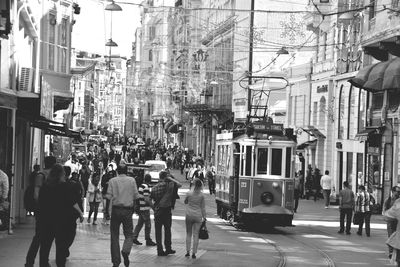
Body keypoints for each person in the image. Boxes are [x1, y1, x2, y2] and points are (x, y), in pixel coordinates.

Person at [38, 164, 84, 267]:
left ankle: (44, 263)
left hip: (47, 220)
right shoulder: (65, 186)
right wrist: (80, 213)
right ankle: (60, 264)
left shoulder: (45, 186)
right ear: (61, 174)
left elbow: (40, 203)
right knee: (61, 247)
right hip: (61, 221)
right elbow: (72, 201)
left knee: (45, 245)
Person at [106, 161, 140, 267]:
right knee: (129, 234)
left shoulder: (112, 181)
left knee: (114, 236)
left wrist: (107, 211)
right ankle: (125, 251)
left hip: (116, 210)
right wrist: (136, 208)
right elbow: (136, 196)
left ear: (117, 171)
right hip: (128, 210)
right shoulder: (132, 180)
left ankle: (116, 262)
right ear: (126, 171)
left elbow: (108, 197)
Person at [25, 156, 56, 267]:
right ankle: (30, 261)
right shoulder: (41, 175)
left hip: (48, 211)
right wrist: (42, 207)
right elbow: (36, 194)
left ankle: (43, 261)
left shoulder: (52, 177)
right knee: (39, 237)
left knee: (46, 237)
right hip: (43, 211)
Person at [150, 171, 182, 256]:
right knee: (167, 230)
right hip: (167, 210)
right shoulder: (170, 185)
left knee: (158, 231)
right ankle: (168, 248)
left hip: (158, 211)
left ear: (159, 177)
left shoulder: (154, 188)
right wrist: (170, 178)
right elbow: (179, 184)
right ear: (166, 177)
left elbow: (150, 199)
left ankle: (159, 250)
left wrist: (154, 208)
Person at [184, 178, 206, 259]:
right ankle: (194, 253)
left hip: (189, 215)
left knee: (188, 234)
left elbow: (185, 202)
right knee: (196, 234)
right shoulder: (202, 195)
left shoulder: (189, 193)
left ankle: (187, 252)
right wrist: (204, 217)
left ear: (194, 185)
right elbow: (203, 208)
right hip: (198, 216)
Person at [132, 174, 157, 246]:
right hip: (145, 209)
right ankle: (148, 239)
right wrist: (153, 207)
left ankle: (134, 237)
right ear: (150, 180)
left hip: (141, 208)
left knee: (140, 224)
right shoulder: (146, 187)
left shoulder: (141, 186)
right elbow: (147, 199)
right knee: (148, 224)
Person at [383, 186, 400, 258]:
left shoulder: (398, 201)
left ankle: (394, 252)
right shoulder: (388, 200)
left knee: (396, 237)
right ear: (392, 191)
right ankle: (391, 252)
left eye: (399, 192)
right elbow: (385, 211)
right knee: (390, 236)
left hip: (397, 222)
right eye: (397, 191)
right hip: (390, 222)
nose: (398, 193)